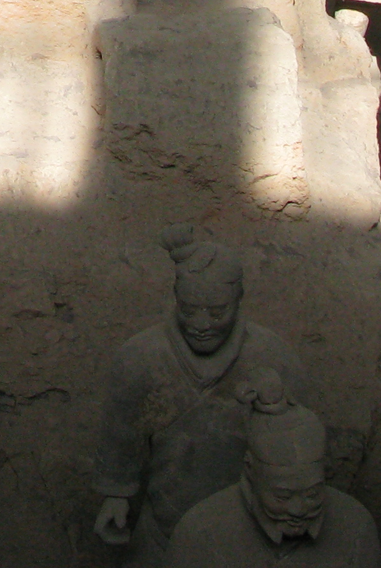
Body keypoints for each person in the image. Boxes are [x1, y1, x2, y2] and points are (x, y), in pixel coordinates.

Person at [93, 232, 309, 563]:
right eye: (190, 310)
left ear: (240, 299)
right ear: (176, 298)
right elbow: (122, 438)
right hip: (163, 530)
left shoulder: (274, 360)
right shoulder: (139, 359)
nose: (202, 324)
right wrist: (116, 496)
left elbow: (298, 453)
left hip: (247, 538)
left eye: (217, 312)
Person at [161, 376, 377, 568]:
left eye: (312, 494)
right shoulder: (200, 534)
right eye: (283, 496)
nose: (298, 510)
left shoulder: (354, 527)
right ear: (250, 471)